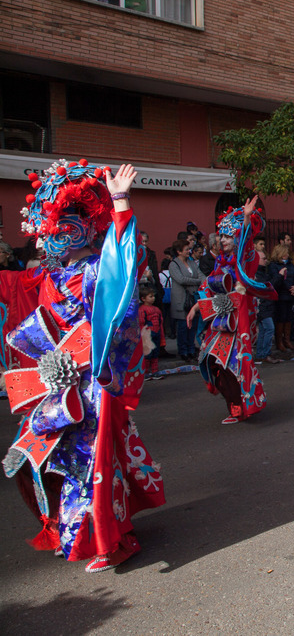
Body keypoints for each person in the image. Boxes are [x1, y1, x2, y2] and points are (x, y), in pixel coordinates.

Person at [4, 159, 164, 572]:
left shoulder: (96, 271)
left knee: (90, 462)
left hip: (93, 382)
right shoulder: (49, 277)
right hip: (57, 385)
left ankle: (108, 538)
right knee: (36, 458)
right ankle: (68, 528)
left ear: (76, 228)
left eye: (53, 228)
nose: (44, 239)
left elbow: (124, 267)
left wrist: (120, 200)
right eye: (43, 230)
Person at [186, 198, 276, 424]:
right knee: (213, 362)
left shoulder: (246, 258)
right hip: (219, 317)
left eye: (228, 236)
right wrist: (197, 306)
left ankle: (240, 407)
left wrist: (246, 218)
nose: (223, 240)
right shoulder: (220, 262)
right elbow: (210, 285)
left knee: (233, 363)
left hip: (239, 319)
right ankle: (236, 405)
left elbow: (246, 243)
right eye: (222, 236)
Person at [168, 239, 203, 361]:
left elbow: (201, 276)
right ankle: (183, 351)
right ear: (179, 251)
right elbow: (181, 279)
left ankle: (191, 349)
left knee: (192, 326)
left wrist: (199, 281)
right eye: (186, 249)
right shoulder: (174, 264)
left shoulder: (192, 263)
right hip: (181, 299)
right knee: (183, 327)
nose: (189, 251)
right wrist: (197, 281)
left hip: (193, 298)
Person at [253, 245, 281, 365]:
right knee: (269, 328)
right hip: (263, 305)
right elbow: (266, 287)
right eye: (263, 258)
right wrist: (279, 275)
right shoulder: (256, 274)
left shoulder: (263, 272)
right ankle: (265, 353)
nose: (266, 260)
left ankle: (261, 354)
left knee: (265, 330)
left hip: (267, 304)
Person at [268, 243, 294, 353]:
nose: (287, 255)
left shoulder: (290, 265)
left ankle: (287, 340)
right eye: (285, 253)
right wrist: (288, 287)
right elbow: (275, 281)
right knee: (280, 318)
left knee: (289, 318)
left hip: (290, 295)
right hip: (280, 296)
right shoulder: (273, 265)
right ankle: (279, 341)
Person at [138, 286, 163, 380]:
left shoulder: (157, 309)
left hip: (156, 332)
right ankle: (146, 372)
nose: (153, 298)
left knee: (155, 353)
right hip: (147, 334)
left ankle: (155, 371)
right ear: (143, 298)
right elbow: (141, 323)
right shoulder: (142, 310)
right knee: (147, 354)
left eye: (153, 296)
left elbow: (160, 321)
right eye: (150, 296)